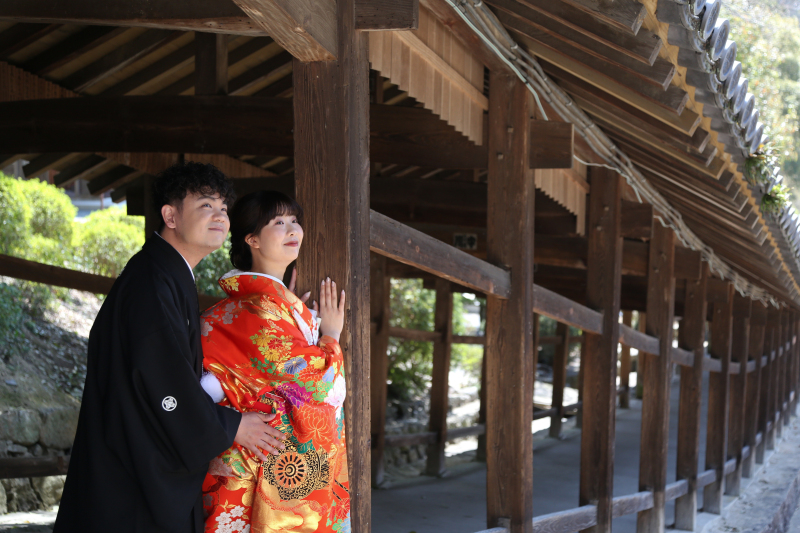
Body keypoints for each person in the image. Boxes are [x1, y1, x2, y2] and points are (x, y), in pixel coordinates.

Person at [54, 163, 287, 533]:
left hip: (132, 457)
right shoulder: (150, 282)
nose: (220, 216)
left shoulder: (165, 274)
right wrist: (231, 426)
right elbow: (163, 380)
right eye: (206, 206)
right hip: (130, 470)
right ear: (171, 215)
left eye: (224, 208)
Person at [198, 190, 350, 533]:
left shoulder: (257, 306)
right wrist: (330, 337)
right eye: (278, 223)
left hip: (254, 460)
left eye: (295, 221)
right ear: (252, 239)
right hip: (258, 464)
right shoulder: (259, 310)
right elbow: (317, 385)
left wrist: (300, 318)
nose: (292, 229)